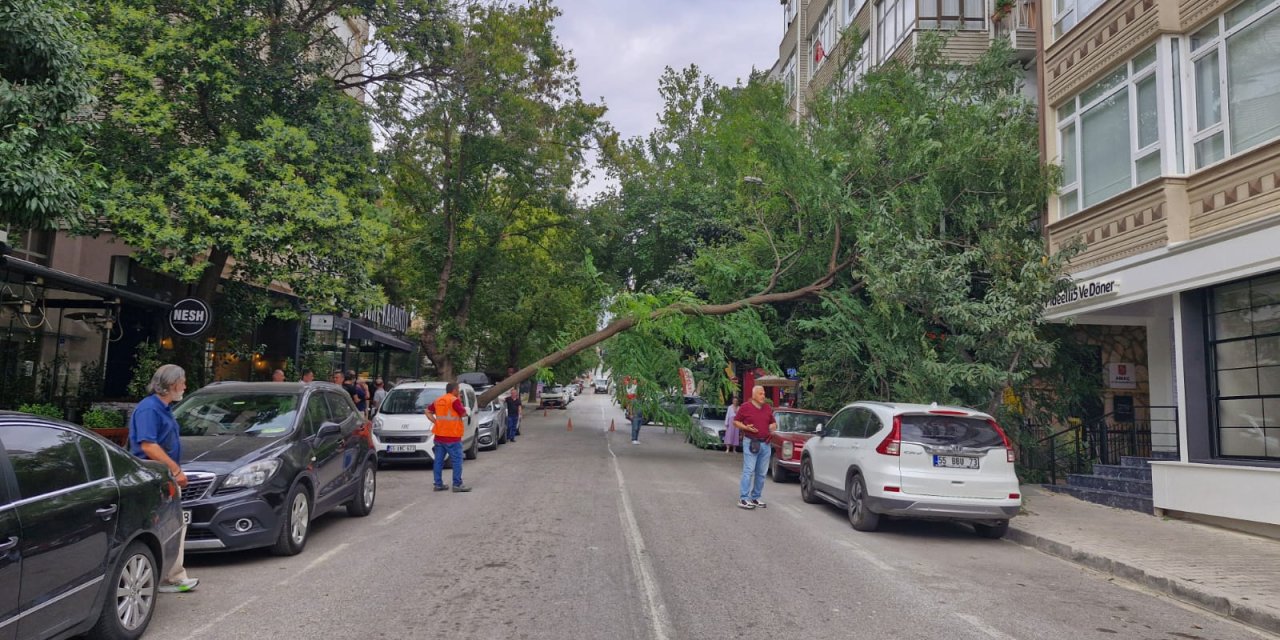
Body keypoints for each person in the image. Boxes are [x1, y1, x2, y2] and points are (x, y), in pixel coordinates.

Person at [128, 364, 200, 593]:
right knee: (167, 523)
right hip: (153, 475)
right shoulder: (150, 409)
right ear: (171, 385)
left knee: (175, 523)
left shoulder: (163, 408)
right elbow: (148, 446)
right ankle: (170, 577)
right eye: (183, 382)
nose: (185, 386)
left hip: (161, 475)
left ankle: (174, 574)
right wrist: (175, 470)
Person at [733, 385, 776, 510]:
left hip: (766, 443)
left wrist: (773, 425)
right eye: (761, 393)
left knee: (761, 473)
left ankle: (756, 497)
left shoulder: (767, 408)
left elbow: (772, 422)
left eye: (764, 394)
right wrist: (746, 428)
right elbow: (736, 422)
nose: (764, 396)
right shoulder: (745, 407)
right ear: (754, 395)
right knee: (749, 470)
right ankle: (744, 498)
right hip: (751, 442)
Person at [427, 382, 471, 492]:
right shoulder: (454, 400)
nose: (459, 392)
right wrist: (460, 401)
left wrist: (436, 422)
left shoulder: (439, 400)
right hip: (452, 437)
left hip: (439, 436)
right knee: (457, 460)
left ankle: (438, 484)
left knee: (438, 461)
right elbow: (463, 414)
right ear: (454, 390)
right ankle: (457, 484)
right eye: (458, 390)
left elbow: (427, 411)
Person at [625, 377, 642, 444]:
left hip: (640, 415)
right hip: (635, 415)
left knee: (638, 428)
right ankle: (633, 439)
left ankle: (636, 439)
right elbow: (630, 406)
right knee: (635, 427)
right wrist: (631, 414)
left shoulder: (641, 400)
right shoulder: (633, 398)